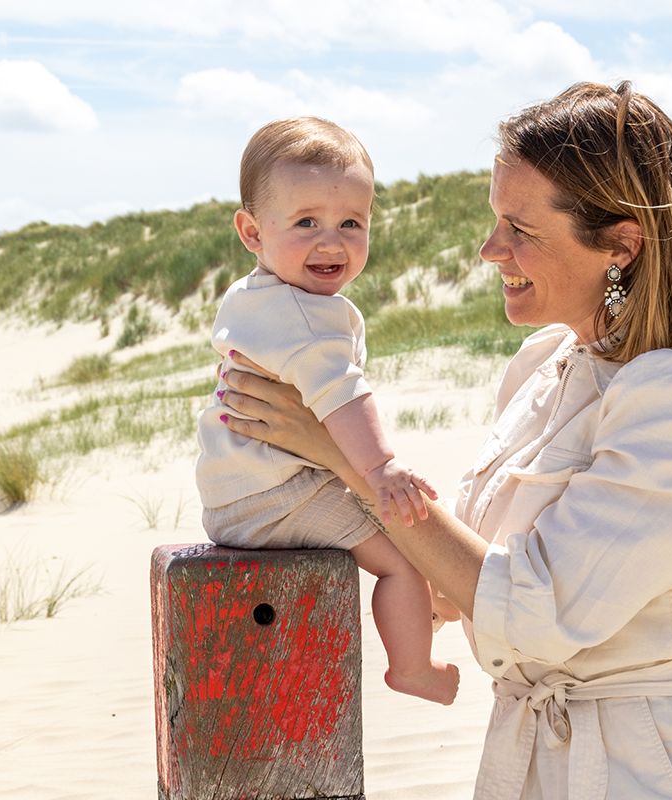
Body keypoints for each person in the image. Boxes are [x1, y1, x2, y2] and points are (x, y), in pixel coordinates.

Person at [218, 83, 672, 799]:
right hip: (532, 758)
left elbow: (536, 614)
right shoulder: (544, 366)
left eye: (520, 229)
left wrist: (339, 457)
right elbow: (463, 580)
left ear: (620, 244)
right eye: (495, 222)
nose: (491, 251)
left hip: (656, 765)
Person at [196, 116, 459, 705]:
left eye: (351, 223)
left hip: (238, 495)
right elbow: (341, 395)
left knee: (402, 545)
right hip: (280, 495)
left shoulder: (254, 296)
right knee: (402, 565)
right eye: (306, 222)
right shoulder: (309, 317)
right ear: (251, 230)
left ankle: (434, 605)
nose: (331, 241)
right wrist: (382, 468)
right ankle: (412, 666)